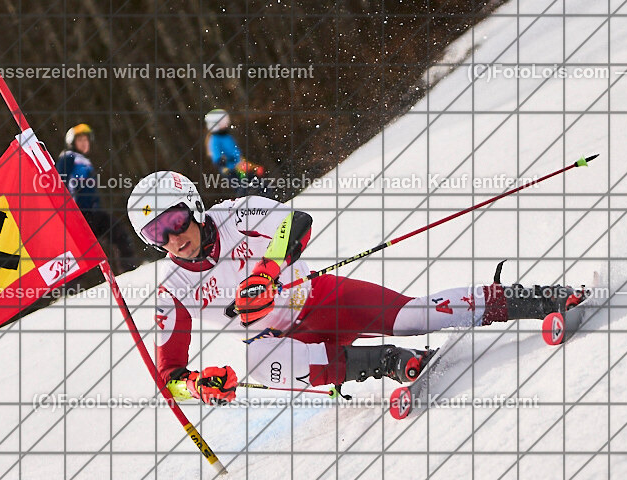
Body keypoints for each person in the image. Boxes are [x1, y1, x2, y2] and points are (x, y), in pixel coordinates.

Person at [127, 171, 586, 406]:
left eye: (173, 220)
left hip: (321, 299)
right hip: (288, 347)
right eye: (156, 235)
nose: (172, 238)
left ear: (193, 206)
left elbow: (295, 221)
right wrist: (197, 386)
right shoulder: (174, 290)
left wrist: (267, 272)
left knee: (413, 316)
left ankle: (537, 299)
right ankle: (387, 363)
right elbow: (168, 375)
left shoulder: (235, 214)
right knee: (257, 362)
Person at [55, 123, 137, 271]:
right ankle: (69, 288)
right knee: (80, 254)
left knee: (119, 234)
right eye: (80, 140)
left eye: (86, 140)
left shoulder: (84, 160)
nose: (84, 143)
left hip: (93, 212)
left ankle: (129, 270)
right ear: (72, 142)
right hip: (79, 215)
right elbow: (59, 183)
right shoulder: (69, 157)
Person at [204, 109, 267, 195]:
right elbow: (217, 157)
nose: (227, 124)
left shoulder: (226, 136)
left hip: (240, 166)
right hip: (232, 170)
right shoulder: (215, 139)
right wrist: (225, 165)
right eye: (223, 122)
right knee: (243, 187)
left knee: (257, 180)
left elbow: (235, 152)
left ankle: (265, 198)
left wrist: (247, 164)